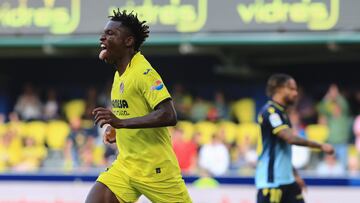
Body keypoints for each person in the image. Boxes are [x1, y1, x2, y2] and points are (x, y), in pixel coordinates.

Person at [85, 9, 192, 203]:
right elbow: (133, 111)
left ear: (128, 41)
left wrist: (122, 123)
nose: (102, 37)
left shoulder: (144, 73)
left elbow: (169, 115)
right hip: (126, 166)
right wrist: (115, 129)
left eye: (110, 34)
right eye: (104, 33)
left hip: (155, 169)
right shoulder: (120, 74)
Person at [256, 73, 334, 203]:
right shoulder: (270, 112)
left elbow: (283, 152)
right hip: (272, 184)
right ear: (279, 89)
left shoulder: (283, 114)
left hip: (288, 182)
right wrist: (320, 145)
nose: (295, 93)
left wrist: (295, 175)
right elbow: (289, 138)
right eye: (291, 89)